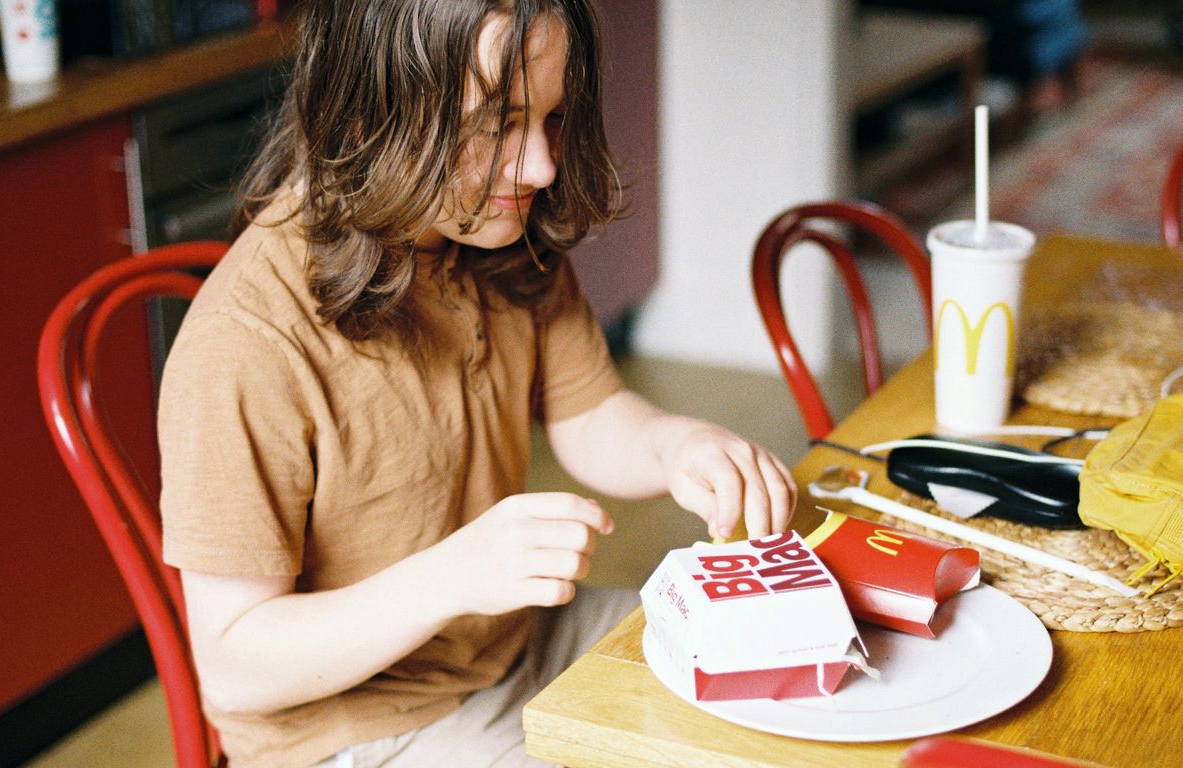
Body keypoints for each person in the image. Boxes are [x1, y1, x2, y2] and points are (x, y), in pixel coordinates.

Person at [157, 1, 796, 767]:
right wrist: (454, 575)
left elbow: (590, 415)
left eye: (552, 118)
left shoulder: (493, 231)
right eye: (497, 127)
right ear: (374, 113)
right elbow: (233, 665)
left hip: (512, 644)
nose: (542, 166)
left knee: (770, 674)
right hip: (357, 729)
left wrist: (676, 446)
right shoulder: (248, 337)